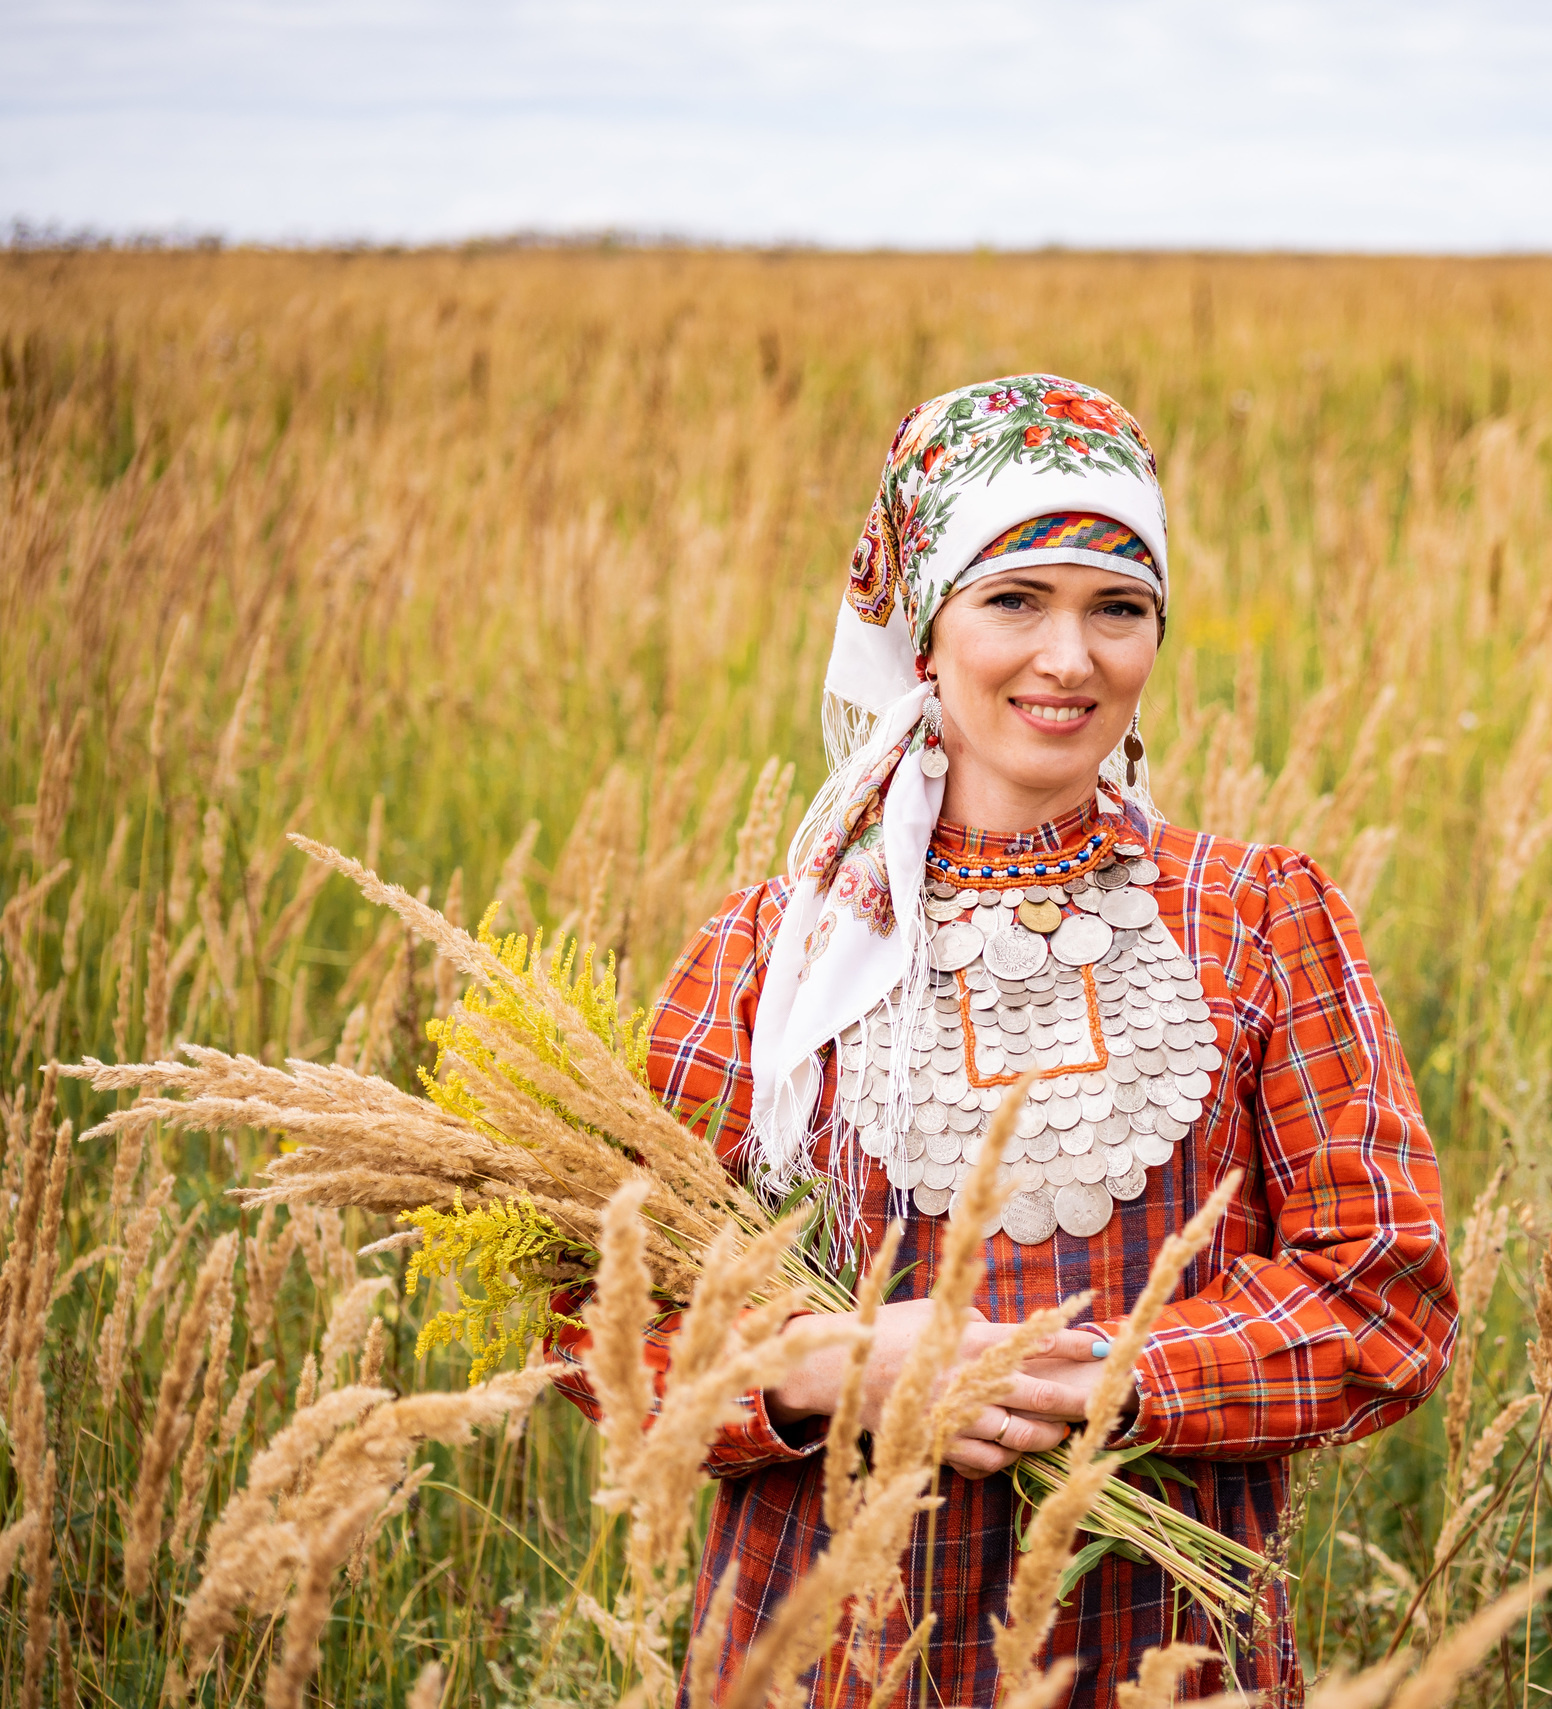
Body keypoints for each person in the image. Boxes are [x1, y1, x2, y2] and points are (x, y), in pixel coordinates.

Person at [546, 374, 1456, 1708]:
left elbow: (1386, 1296)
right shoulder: (771, 956)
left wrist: (1116, 1379)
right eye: (1015, 599)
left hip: (1158, 1659)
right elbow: (595, 1324)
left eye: (1118, 608)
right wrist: (825, 1366)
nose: (1070, 658)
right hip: (823, 1662)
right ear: (924, 631)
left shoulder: (1260, 918)